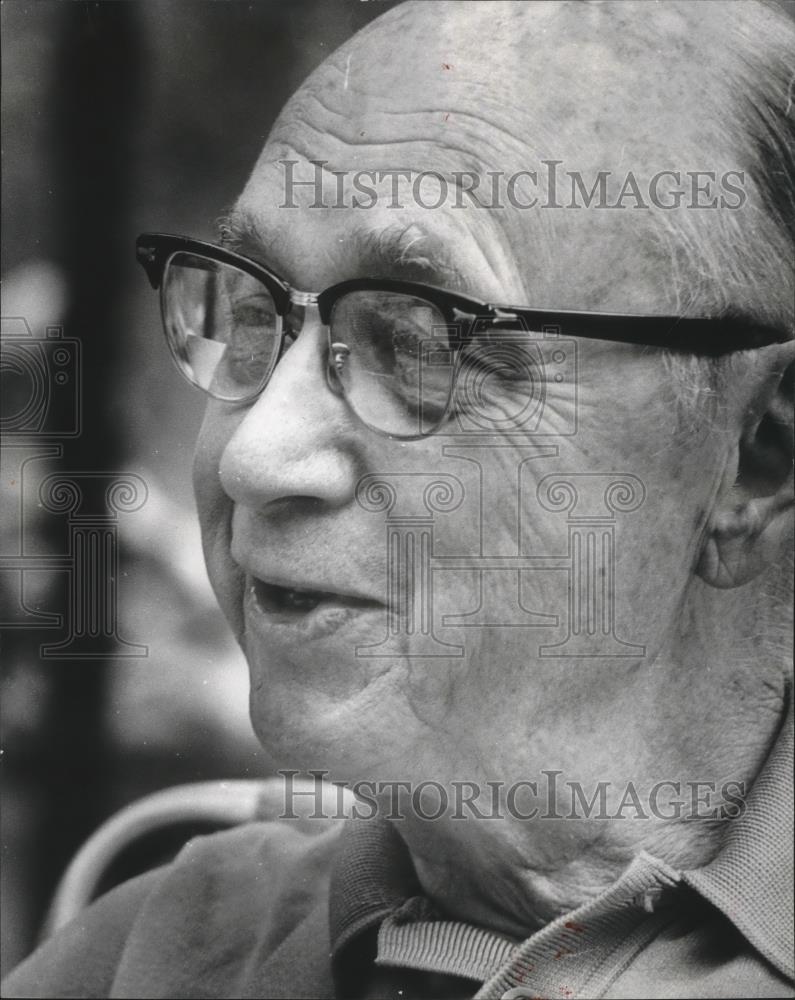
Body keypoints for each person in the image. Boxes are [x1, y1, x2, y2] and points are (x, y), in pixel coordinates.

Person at [4, 1, 793, 997]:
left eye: (416, 341)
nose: (255, 454)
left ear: (757, 456)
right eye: (253, 313)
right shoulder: (152, 956)